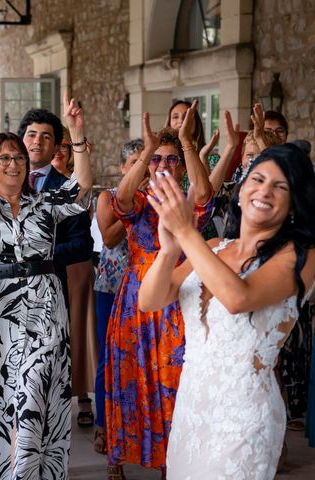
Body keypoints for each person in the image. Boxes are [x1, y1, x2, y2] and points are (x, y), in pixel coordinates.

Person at [139, 143, 315, 479]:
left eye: (280, 186)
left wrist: (186, 230)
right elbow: (150, 300)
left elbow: (238, 298)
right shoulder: (213, 247)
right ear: (241, 188)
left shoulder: (302, 256)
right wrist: (169, 249)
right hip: (193, 407)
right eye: (258, 179)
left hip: (245, 418)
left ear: (295, 202)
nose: (265, 191)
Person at [0, 92, 93, 478]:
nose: (13, 164)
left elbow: (82, 188)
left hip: (45, 307)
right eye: (5, 158)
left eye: (19, 158)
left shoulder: (45, 204)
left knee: (32, 394)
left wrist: (76, 134)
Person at [105, 101, 214, 479]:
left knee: (174, 379)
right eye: (157, 160)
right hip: (136, 295)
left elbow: (204, 191)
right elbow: (119, 198)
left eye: (171, 160)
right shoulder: (139, 200)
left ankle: (172, 460)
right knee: (129, 373)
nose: (164, 166)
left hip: (178, 294)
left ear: (181, 166)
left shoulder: (189, 203)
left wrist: (185, 143)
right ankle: (117, 458)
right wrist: (148, 152)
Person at [18, 107, 95, 425]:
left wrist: (42, 255)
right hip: (5, 296)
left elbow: (82, 244)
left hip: (50, 294)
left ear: (56, 146)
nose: (37, 142)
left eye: (46, 136)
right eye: (32, 134)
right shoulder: (0, 182)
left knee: (47, 377)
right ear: (21, 139)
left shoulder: (68, 188)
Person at [92, 138, 143, 454]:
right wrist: (135, 206)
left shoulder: (160, 197)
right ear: (123, 168)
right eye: (135, 164)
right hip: (111, 286)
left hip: (148, 287)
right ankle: (103, 426)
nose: (142, 170)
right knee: (108, 359)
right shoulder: (107, 197)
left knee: (143, 357)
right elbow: (109, 238)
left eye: (145, 164)